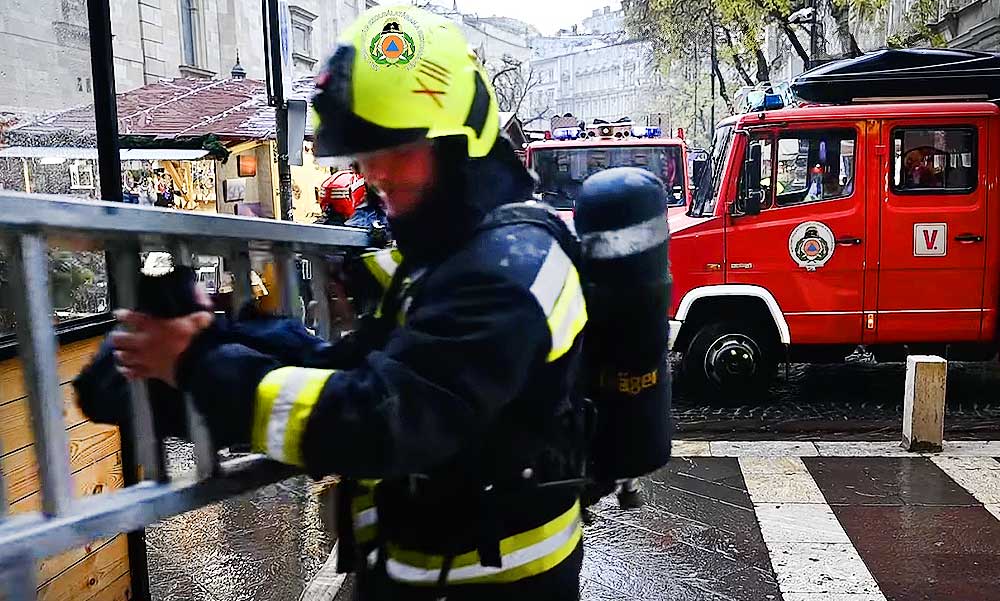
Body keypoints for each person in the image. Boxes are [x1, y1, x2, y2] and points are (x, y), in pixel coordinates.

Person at [109, 5, 589, 600]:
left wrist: (201, 367)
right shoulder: (453, 251)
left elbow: (385, 416)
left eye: (398, 148)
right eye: (364, 153)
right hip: (425, 572)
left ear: (463, 139)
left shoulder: (508, 271)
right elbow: (368, 364)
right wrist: (216, 343)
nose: (375, 173)